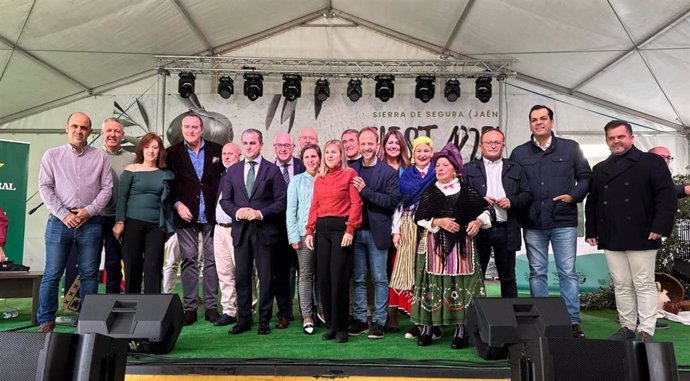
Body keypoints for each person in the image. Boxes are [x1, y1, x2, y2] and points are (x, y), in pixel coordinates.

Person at [585, 120, 676, 342]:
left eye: (620, 137)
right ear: (607, 141)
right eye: (611, 138)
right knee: (621, 284)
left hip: (643, 232)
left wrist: (659, 227)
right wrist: (592, 230)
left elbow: (666, 197)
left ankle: (646, 331)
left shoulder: (652, 162)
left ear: (631, 138)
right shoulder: (600, 169)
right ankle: (627, 328)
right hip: (611, 233)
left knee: (643, 283)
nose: (616, 141)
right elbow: (593, 202)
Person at [509, 105, 592, 338]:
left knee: (567, 272)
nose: (539, 122)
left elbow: (586, 178)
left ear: (552, 122)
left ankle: (572, 321)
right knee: (537, 272)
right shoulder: (519, 153)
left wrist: (573, 196)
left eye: (543, 118)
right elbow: (513, 185)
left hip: (563, 220)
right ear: (530, 125)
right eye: (534, 119)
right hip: (533, 222)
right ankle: (540, 320)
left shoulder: (571, 148)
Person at [37, 112, 113, 333]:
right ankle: (46, 322)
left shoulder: (100, 157)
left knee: (89, 273)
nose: (79, 131)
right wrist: (64, 214)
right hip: (59, 222)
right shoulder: (52, 155)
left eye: (84, 127)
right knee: (52, 273)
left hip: (90, 223)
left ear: (90, 132)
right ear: (66, 128)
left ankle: (87, 321)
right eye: (75, 126)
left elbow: (107, 188)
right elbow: (45, 188)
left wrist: (88, 212)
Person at [411, 143, 491, 349]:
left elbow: (486, 211)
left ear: (455, 168)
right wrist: (438, 222)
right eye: (437, 166)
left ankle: (461, 330)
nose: (439, 169)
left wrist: (478, 222)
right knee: (431, 285)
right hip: (435, 248)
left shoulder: (466, 191)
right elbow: (419, 217)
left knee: (461, 287)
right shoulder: (431, 192)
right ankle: (427, 328)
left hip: (462, 247)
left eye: (444, 165)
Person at [220, 129, 287, 336]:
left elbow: (281, 202)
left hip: (265, 231)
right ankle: (244, 319)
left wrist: (260, 213)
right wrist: (238, 211)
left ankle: (264, 320)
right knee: (242, 277)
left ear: (261, 145)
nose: (249, 147)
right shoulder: (232, 171)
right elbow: (225, 201)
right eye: (246, 143)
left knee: (266, 277)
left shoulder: (272, 170)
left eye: (253, 143)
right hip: (241, 231)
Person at [166, 112, 224, 325]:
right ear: (182, 129)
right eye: (187, 127)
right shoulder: (171, 153)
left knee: (212, 262)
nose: (191, 130)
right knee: (189, 260)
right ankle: (189, 308)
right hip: (185, 216)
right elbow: (167, 185)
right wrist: (177, 204)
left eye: (195, 127)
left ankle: (211, 307)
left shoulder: (217, 150)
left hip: (211, 215)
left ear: (202, 129)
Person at [305, 140, 362, 343]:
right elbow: (315, 206)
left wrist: (350, 228)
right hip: (322, 231)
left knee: (339, 278)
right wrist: (310, 230)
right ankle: (331, 325)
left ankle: (342, 328)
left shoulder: (350, 175)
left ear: (341, 155)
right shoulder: (319, 179)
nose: (330, 155)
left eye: (334, 152)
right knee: (324, 279)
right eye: (327, 152)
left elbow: (356, 203)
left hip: (341, 230)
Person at [464, 128, 532, 297]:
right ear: (481, 146)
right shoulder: (468, 169)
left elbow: (527, 194)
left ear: (503, 145)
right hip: (478, 230)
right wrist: (478, 200)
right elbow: (461, 198)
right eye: (489, 142)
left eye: (497, 142)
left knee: (508, 277)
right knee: (475, 276)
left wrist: (511, 201)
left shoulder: (516, 168)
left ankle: (511, 318)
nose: (493, 146)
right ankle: (474, 319)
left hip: (507, 228)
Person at [348, 128, 401, 339]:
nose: (367, 147)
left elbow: (391, 201)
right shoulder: (351, 169)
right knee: (358, 278)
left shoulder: (388, 172)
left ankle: (379, 320)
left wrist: (365, 191)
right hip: (355, 232)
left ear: (377, 145)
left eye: (371, 144)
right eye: (364, 144)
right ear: (359, 145)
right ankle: (361, 319)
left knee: (380, 278)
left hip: (377, 233)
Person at [113, 133, 174, 294]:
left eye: (155, 147)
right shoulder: (131, 169)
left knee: (153, 265)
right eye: (147, 147)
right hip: (132, 223)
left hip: (156, 226)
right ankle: (131, 304)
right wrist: (120, 222)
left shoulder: (165, 173)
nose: (151, 151)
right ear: (141, 149)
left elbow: (169, 201)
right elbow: (122, 197)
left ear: (160, 151)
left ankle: (150, 308)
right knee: (133, 265)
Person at [391, 136, 436, 339]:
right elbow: (399, 205)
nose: (422, 155)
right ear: (413, 154)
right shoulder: (406, 176)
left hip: (433, 227)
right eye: (419, 151)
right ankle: (418, 323)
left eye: (426, 151)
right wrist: (396, 231)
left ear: (432, 153)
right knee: (412, 273)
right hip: (409, 225)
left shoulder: (438, 172)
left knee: (430, 273)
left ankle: (435, 323)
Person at [286, 143, 322, 334]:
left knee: (323, 274)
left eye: (314, 156)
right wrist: (294, 237)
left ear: (319, 158)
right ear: (302, 160)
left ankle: (322, 311)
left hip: (324, 235)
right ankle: (307, 314)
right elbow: (291, 211)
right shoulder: (297, 181)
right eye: (307, 157)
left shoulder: (326, 178)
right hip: (302, 233)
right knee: (306, 275)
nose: (311, 160)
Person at [272, 132, 305, 329]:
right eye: (279, 145)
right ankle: (284, 312)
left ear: (293, 147)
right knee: (282, 272)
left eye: (287, 145)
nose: (283, 149)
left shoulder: (304, 165)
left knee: (305, 271)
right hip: (276, 229)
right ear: (274, 147)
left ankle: (307, 311)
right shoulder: (267, 168)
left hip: (301, 228)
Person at [378, 130, 411, 331]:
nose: (393, 146)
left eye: (396, 144)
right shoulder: (378, 167)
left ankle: (401, 310)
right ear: (384, 145)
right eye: (389, 143)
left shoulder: (409, 169)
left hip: (403, 225)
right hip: (381, 222)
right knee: (383, 271)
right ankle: (387, 314)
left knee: (398, 269)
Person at [100, 118, 135, 294]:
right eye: (109, 131)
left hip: (123, 218)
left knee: (120, 262)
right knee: (96, 264)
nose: (113, 135)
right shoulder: (93, 156)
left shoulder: (132, 158)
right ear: (102, 134)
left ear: (122, 135)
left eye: (116, 131)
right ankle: (97, 304)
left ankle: (120, 299)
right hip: (97, 217)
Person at [213, 142, 241, 326]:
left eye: (231, 153)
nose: (227, 156)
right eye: (224, 153)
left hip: (236, 228)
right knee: (224, 272)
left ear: (239, 156)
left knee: (243, 271)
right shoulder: (222, 175)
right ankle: (229, 311)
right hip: (219, 229)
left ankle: (249, 308)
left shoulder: (242, 175)